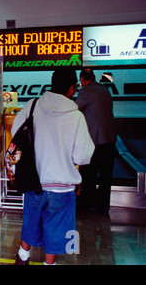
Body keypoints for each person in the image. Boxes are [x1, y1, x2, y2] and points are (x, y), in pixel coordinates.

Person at [12, 68, 94, 265]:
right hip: (62, 187)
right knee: (56, 229)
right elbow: (82, 156)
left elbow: (16, 134)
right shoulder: (76, 117)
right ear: (72, 88)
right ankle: (49, 263)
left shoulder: (32, 106)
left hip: (34, 181)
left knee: (31, 220)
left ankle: (23, 257)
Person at [76, 68, 117, 214]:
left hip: (95, 141)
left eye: (80, 81)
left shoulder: (85, 91)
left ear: (83, 79)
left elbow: (74, 109)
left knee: (88, 174)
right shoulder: (105, 90)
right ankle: (103, 206)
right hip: (110, 139)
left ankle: (88, 205)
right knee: (106, 176)